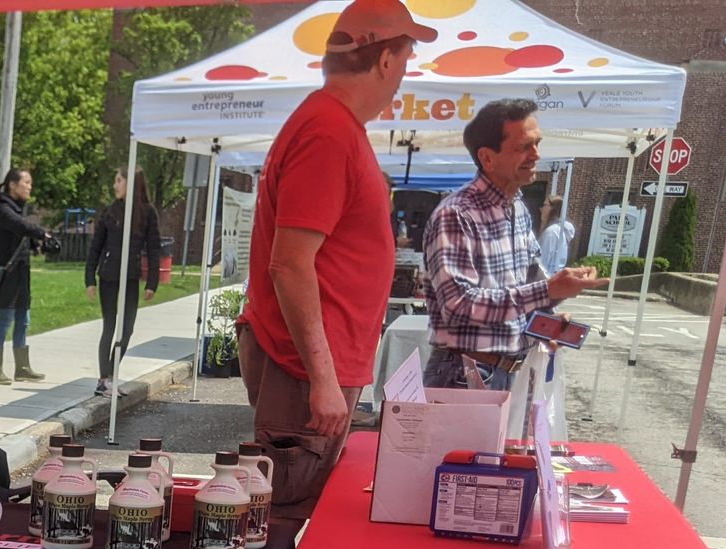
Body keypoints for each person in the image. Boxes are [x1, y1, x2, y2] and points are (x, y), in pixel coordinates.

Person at [240, 0, 436, 515]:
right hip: (303, 371)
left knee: (293, 511)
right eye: (407, 58)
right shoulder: (328, 131)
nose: (405, 74)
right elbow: (290, 264)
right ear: (386, 60)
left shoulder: (333, 125)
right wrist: (324, 379)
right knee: (282, 518)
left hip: (308, 366)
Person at [421, 100, 601, 390]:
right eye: (524, 147)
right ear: (487, 158)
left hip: (505, 370)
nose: (536, 154)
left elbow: (526, 284)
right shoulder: (456, 214)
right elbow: (458, 306)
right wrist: (547, 290)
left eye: (537, 143)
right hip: (464, 373)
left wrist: (548, 314)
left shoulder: (517, 208)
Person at [85, 168, 162, 396]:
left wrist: (152, 282)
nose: (115, 185)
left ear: (131, 183)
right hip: (108, 274)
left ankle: (110, 374)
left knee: (127, 329)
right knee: (109, 326)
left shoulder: (147, 213)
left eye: (119, 180)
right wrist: (89, 278)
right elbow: (96, 247)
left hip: (130, 276)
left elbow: (154, 248)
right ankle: (103, 380)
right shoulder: (110, 212)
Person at [0, 168, 55, 385]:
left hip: (22, 272)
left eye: (30, 182)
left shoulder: (16, 208)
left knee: (23, 320)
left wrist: (37, 244)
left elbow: (21, 233)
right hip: (8, 272)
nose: (29, 186)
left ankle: (22, 368)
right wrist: (41, 233)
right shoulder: (1, 208)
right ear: (12, 185)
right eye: (26, 182)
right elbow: (19, 226)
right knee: (5, 319)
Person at [538, 196, 575, 276]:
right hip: (555, 275)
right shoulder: (559, 231)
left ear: (553, 209)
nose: (541, 209)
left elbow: (542, 262)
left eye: (545, 205)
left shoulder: (551, 232)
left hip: (547, 277)